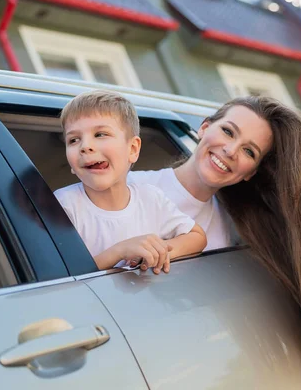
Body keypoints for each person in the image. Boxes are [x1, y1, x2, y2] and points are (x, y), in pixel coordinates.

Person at [128, 96, 301, 388]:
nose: (230, 151)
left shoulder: (236, 231)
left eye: (249, 151)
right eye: (228, 131)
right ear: (204, 128)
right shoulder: (129, 188)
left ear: (250, 173)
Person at [54, 90, 207, 273]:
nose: (85, 146)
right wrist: (119, 251)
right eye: (74, 140)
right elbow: (62, 273)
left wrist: (157, 253)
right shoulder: (64, 205)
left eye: (100, 134)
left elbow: (197, 237)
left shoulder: (150, 198)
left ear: (133, 149)